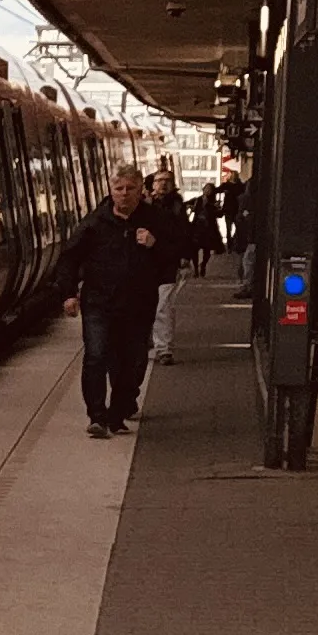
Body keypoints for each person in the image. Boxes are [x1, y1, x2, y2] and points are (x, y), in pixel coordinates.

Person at [57, 165, 174, 438]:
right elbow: (69, 258)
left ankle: (119, 411)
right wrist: (68, 294)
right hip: (99, 302)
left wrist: (155, 245)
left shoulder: (156, 220)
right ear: (111, 191)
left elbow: (174, 255)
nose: (124, 194)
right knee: (96, 355)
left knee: (131, 361)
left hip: (138, 304)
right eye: (118, 189)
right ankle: (97, 416)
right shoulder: (95, 223)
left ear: (140, 191)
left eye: (130, 189)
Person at [143, 167, 191, 364]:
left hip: (167, 263)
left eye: (167, 181)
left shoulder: (177, 208)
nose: (163, 184)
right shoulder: (144, 205)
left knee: (163, 305)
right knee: (144, 305)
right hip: (145, 264)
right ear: (152, 184)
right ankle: (149, 341)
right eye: (159, 180)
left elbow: (184, 234)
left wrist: (185, 257)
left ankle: (164, 349)